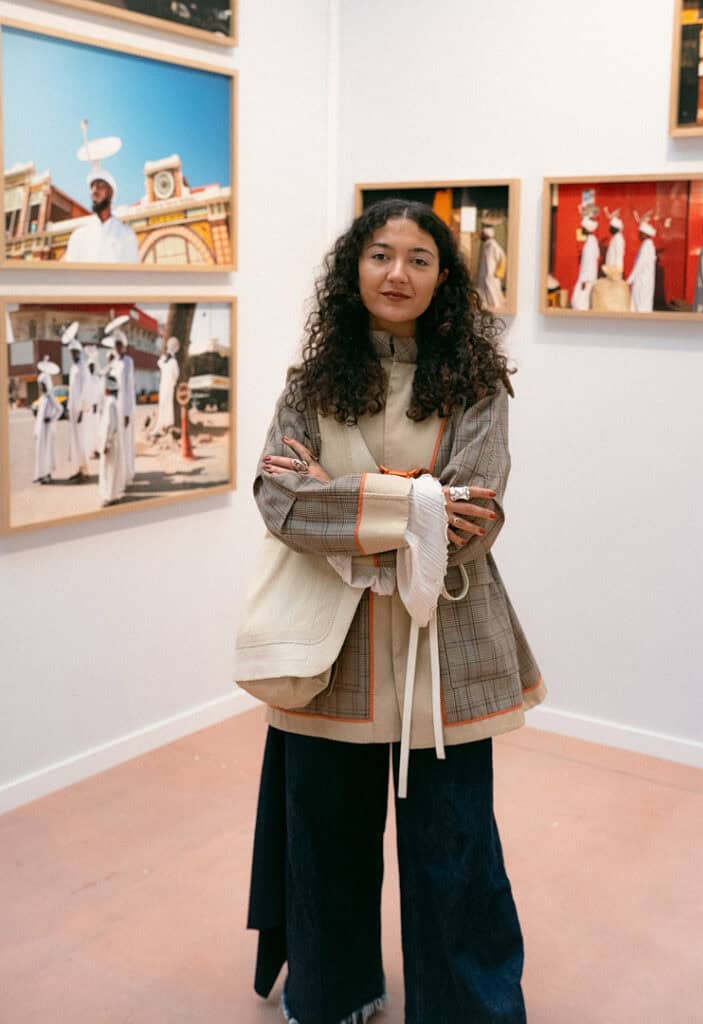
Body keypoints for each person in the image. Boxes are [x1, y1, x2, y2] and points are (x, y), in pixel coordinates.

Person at [247, 199, 545, 1024]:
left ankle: (466, 1007)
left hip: (445, 642)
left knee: (454, 846)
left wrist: (342, 503)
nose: (396, 274)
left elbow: (471, 521)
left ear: (443, 280)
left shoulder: (478, 384)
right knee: (325, 838)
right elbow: (277, 498)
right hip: (328, 650)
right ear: (353, 269)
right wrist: (411, 504)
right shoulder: (310, 383)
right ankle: (331, 990)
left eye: (418, 259)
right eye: (380, 255)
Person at [64, 171, 140, 264]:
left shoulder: (127, 234)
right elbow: (70, 273)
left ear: (110, 193)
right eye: (92, 187)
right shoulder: (78, 235)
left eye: (100, 186)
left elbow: (132, 272)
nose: (94, 191)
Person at [105, 330, 137, 483]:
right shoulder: (114, 362)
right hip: (115, 407)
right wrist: (109, 363)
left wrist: (127, 412)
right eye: (115, 345)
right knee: (118, 442)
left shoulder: (128, 361)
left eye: (119, 345)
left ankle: (128, 473)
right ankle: (120, 473)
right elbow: (106, 379)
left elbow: (129, 388)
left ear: (124, 346)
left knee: (127, 441)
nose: (117, 348)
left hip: (125, 408)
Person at [97, 372, 126, 507]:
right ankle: (112, 495)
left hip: (110, 442)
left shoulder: (109, 404)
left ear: (107, 389)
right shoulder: (113, 402)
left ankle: (109, 497)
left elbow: (110, 425)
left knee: (108, 470)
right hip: (113, 441)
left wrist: (106, 443)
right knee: (112, 469)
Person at [33, 360, 61, 484]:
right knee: (40, 453)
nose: (41, 387)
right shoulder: (43, 397)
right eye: (40, 385)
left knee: (47, 452)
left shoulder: (50, 396)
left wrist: (51, 419)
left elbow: (60, 409)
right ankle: (40, 474)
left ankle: (47, 475)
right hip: (41, 430)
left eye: (43, 384)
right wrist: (36, 430)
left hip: (48, 430)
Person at [65, 336, 89, 482]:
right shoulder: (73, 367)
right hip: (73, 409)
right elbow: (71, 390)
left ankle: (84, 471)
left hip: (79, 411)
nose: (73, 354)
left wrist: (81, 410)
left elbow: (85, 391)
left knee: (81, 440)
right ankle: (78, 468)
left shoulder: (83, 367)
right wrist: (69, 408)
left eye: (75, 352)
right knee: (74, 440)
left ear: (79, 352)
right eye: (71, 352)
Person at [570, 217, 600, 310]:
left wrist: (585, 279)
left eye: (583, 227)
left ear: (587, 229)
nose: (581, 229)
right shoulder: (592, 240)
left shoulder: (590, 242)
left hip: (586, 276)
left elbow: (589, 262)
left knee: (580, 300)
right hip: (588, 276)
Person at [152, 336, 180, 435]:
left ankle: (163, 425)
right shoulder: (173, 362)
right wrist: (174, 382)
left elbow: (159, 362)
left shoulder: (165, 362)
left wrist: (163, 356)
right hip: (168, 386)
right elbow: (176, 375)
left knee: (164, 404)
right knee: (167, 404)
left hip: (164, 386)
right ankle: (166, 424)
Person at [476, 224, 507, 312]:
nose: (481, 235)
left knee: (493, 291)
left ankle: (495, 306)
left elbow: (501, 257)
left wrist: (493, 273)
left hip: (490, 275)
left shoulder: (492, 245)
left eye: (482, 233)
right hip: (486, 274)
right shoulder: (487, 244)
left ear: (486, 234)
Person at [627, 222, 657, 313]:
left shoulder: (646, 247)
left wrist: (629, 280)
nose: (639, 235)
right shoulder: (648, 245)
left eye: (640, 233)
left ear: (645, 234)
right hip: (644, 280)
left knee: (639, 305)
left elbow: (639, 265)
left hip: (642, 281)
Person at [83, 346, 104, 461]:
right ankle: (91, 450)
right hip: (88, 411)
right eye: (89, 366)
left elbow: (100, 394)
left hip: (96, 412)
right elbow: (84, 396)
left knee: (97, 431)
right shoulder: (86, 381)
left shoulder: (97, 379)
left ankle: (97, 450)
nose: (91, 368)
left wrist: (97, 405)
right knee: (89, 432)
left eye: (93, 366)